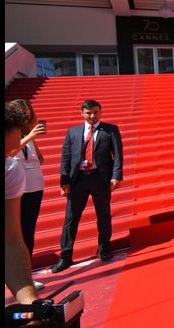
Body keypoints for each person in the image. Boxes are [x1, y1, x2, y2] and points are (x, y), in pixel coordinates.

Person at [53, 99, 124, 273]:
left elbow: (118, 155)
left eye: (96, 113)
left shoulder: (111, 130)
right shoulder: (73, 132)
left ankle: (104, 248)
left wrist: (116, 176)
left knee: (104, 215)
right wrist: (64, 182)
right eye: (88, 113)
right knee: (71, 218)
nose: (92, 116)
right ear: (82, 113)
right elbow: (66, 158)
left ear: (100, 112)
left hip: (100, 179)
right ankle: (66, 255)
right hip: (78, 180)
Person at [8, 100, 48, 283]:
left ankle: (27, 276)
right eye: (23, 112)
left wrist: (35, 146)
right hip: (15, 189)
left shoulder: (28, 134)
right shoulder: (12, 135)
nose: (27, 115)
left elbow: (39, 159)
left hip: (34, 186)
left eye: (29, 111)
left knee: (28, 231)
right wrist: (30, 137)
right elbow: (9, 151)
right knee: (16, 233)